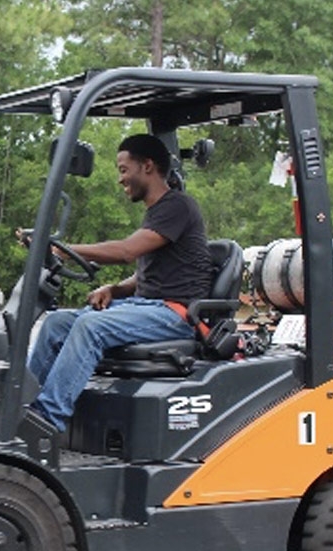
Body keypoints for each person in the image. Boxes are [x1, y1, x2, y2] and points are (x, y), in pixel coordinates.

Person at [26, 133, 212, 432]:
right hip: (146, 305)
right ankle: (20, 407)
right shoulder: (158, 213)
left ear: (147, 166)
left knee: (91, 327)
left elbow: (127, 252)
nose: (119, 179)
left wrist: (63, 250)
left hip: (175, 313)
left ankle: (46, 421)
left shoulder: (178, 206)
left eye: (124, 170)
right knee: (56, 323)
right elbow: (146, 275)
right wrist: (114, 289)